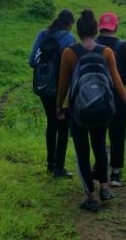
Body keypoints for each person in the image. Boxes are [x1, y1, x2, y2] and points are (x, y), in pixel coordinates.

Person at [57, 9, 126, 212]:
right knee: (100, 146)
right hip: (103, 110)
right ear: (95, 30)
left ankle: (91, 197)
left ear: (78, 30)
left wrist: (59, 107)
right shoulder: (107, 52)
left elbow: (63, 85)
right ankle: (104, 187)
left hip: (78, 112)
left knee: (82, 151)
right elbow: (118, 84)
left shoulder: (69, 53)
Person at [96, 11, 126, 187]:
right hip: (119, 97)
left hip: (96, 96)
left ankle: (98, 168)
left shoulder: (93, 45)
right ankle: (115, 173)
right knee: (117, 135)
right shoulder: (124, 47)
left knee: (98, 134)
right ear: (116, 27)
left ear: (100, 27)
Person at [29, 9, 76, 178]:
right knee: (63, 126)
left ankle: (50, 164)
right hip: (61, 89)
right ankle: (59, 168)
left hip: (44, 87)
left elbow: (31, 60)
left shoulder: (42, 34)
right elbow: (73, 66)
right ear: (70, 23)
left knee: (51, 123)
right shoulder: (69, 38)